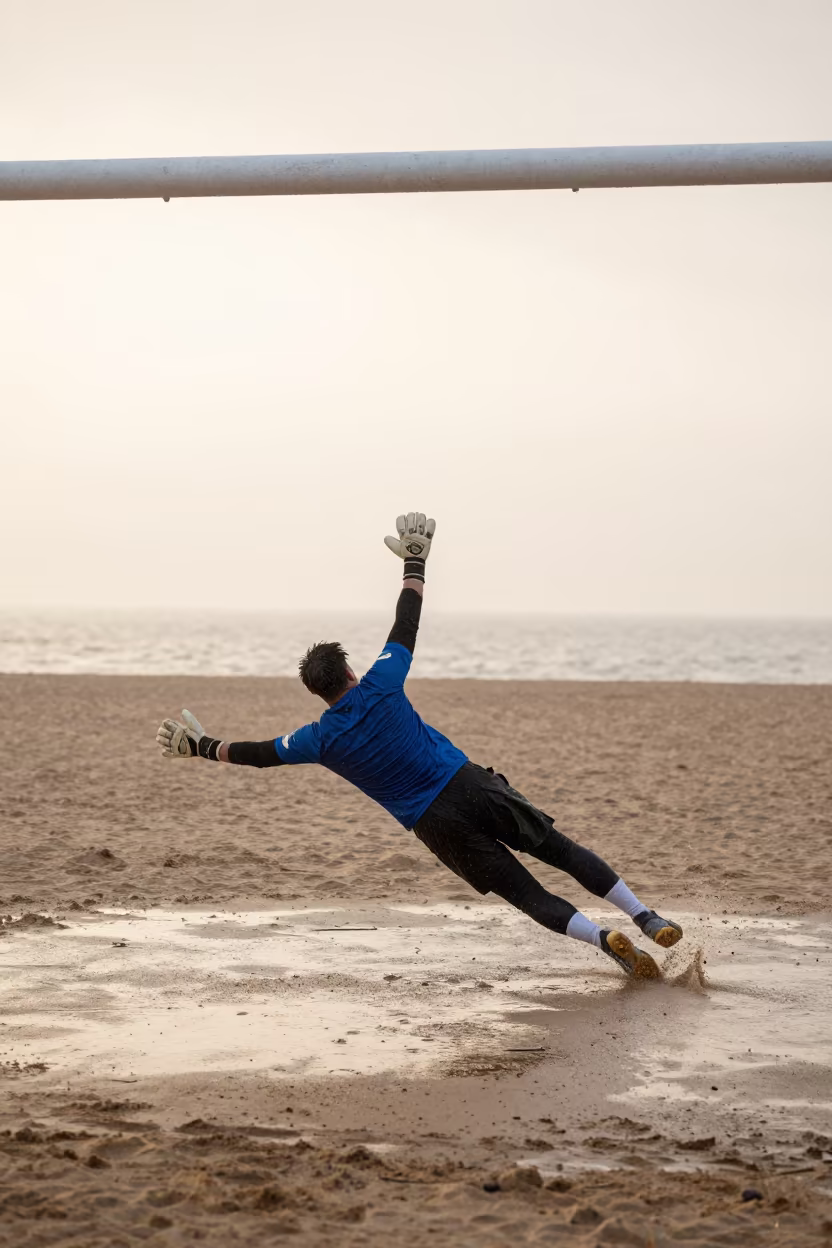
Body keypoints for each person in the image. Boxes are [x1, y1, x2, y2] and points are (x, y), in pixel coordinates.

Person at [156, 512, 682, 978]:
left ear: (317, 690)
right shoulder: (382, 682)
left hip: (435, 823)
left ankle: (603, 942)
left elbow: (259, 752)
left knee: (526, 895)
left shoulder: (317, 739)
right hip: (469, 784)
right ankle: (643, 916)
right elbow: (406, 623)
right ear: (349, 671)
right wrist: (415, 562)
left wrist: (202, 746)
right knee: (560, 851)